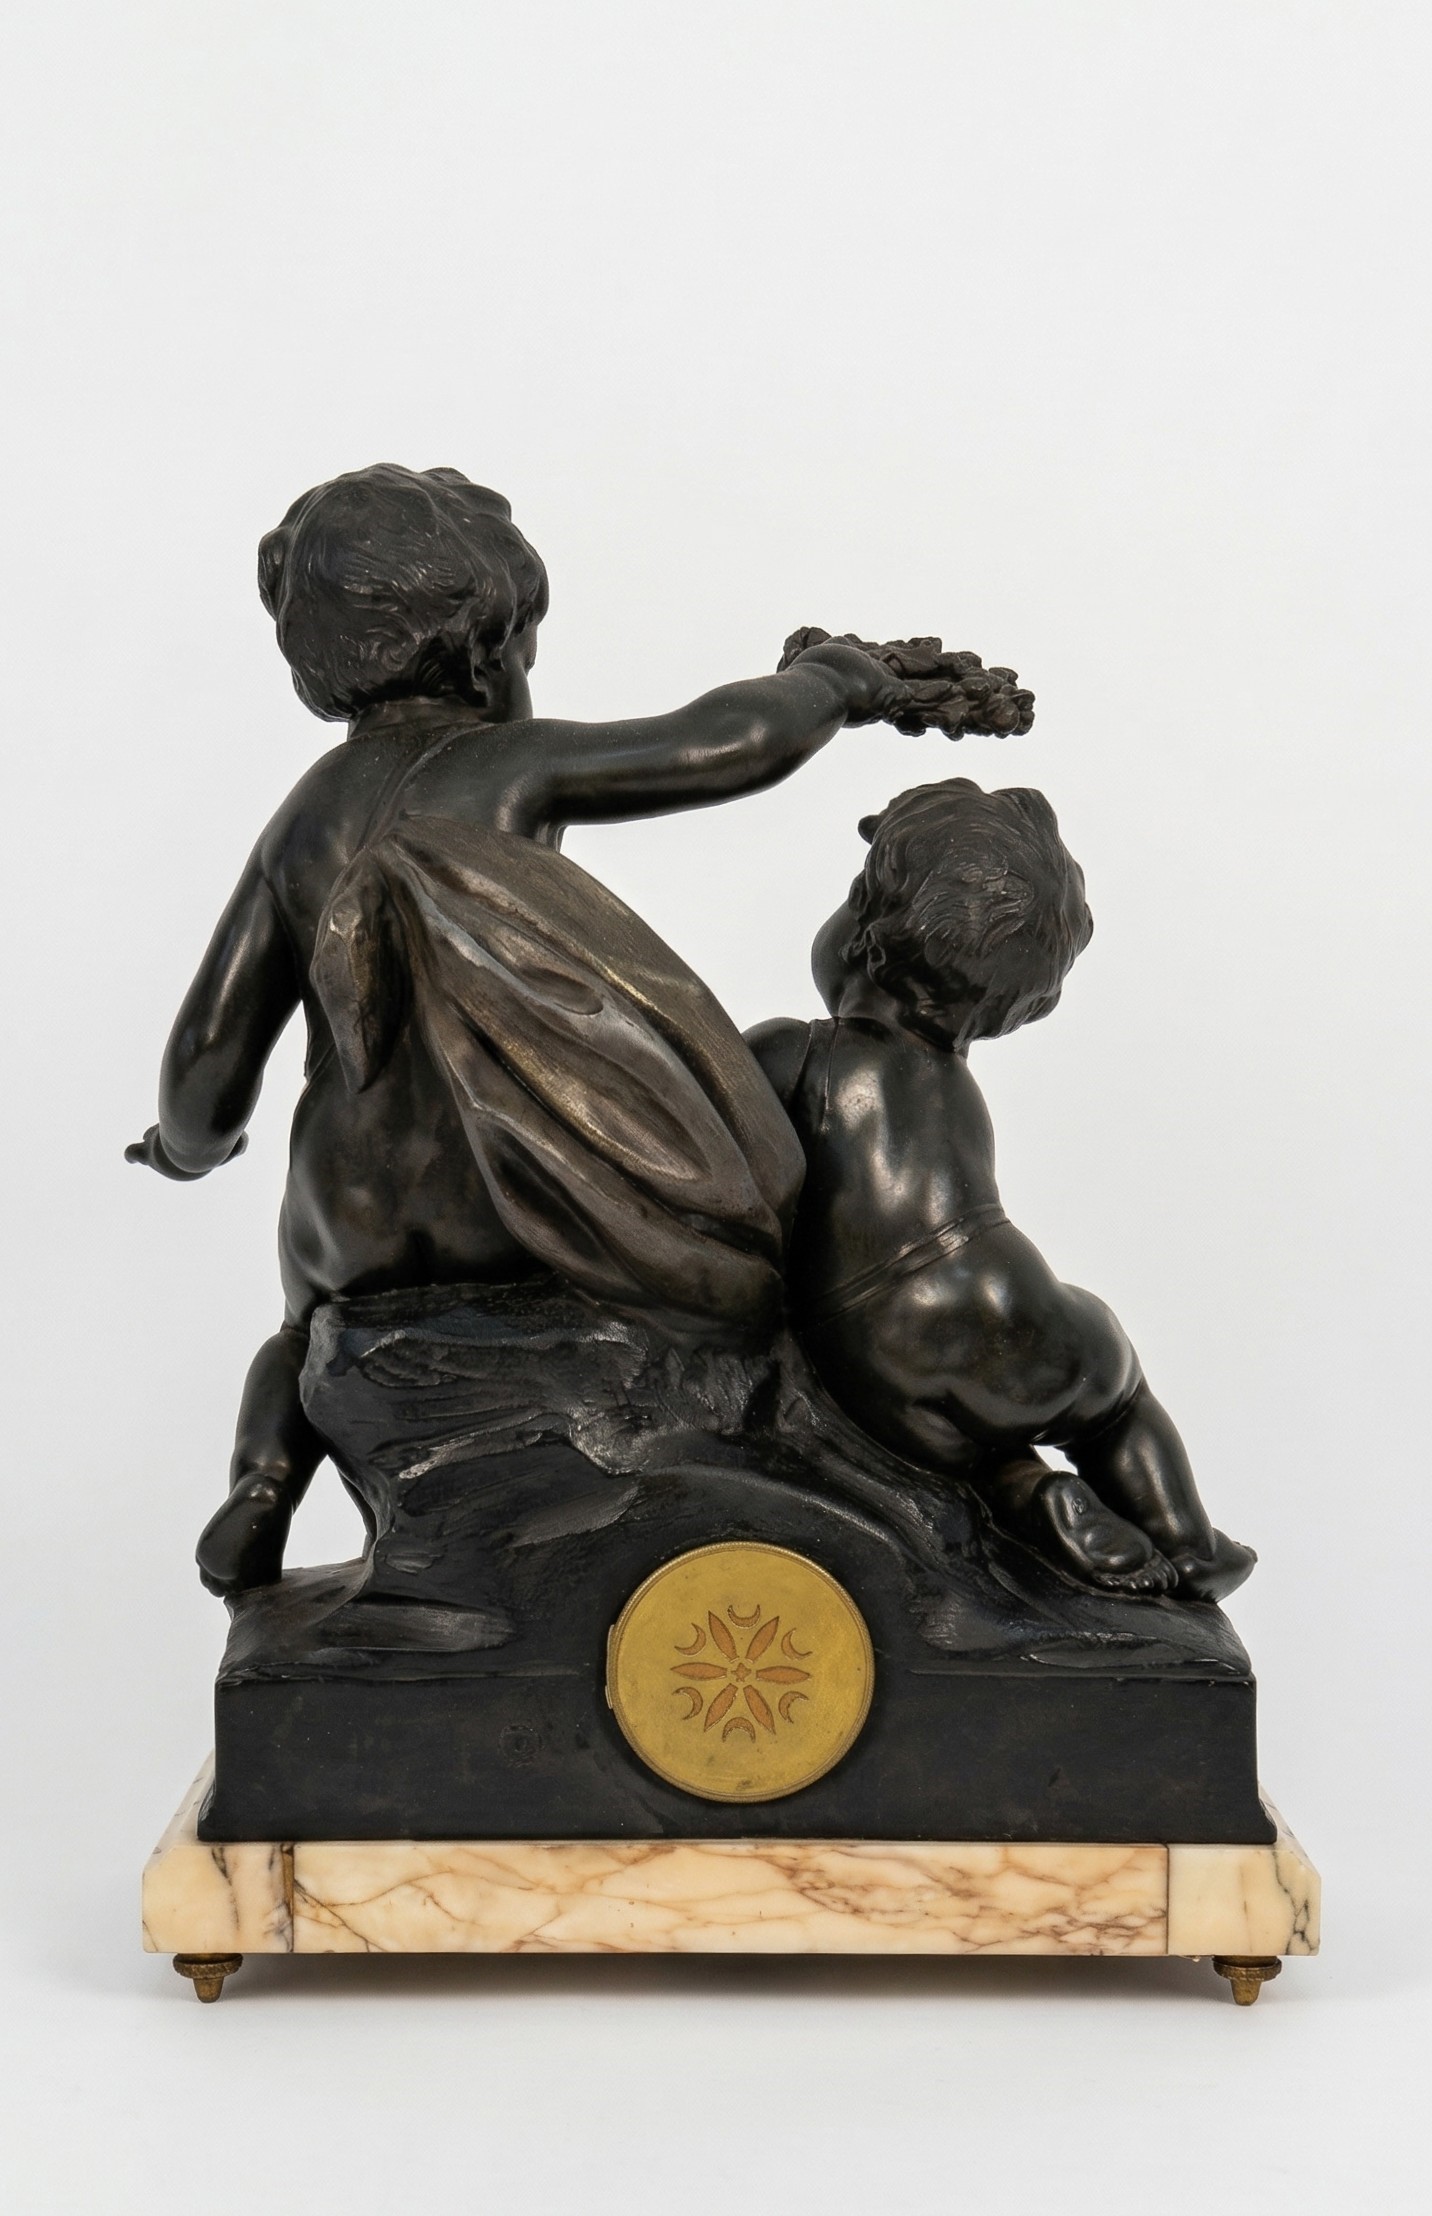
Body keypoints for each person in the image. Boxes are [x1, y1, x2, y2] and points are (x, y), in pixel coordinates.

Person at [126, 463, 909, 1594]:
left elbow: (206, 1060)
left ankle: (263, 1481)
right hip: (513, 1189)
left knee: (298, 1333)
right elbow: (728, 740)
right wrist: (830, 677)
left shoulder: (301, 821)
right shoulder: (507, 764)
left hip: (348, 1212)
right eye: (528, 647)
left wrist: (182, 1149)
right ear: (489, 647)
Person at [745, 777, 1255, 1601]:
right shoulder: (952, 1079)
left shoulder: (794, 1055)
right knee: (1114, 1402)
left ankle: (1026, 1492)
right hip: (1010, 1301)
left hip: (872, 1341)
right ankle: (1187, 1542)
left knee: (949, 1448)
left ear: (864, 927)